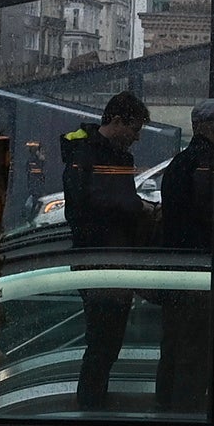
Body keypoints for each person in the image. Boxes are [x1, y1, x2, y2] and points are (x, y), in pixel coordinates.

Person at [64, 93, 153, 408]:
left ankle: (92, 399)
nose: (136, 137)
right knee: (104, 338)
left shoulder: (84, 153)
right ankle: (91, 400)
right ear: (116, 121)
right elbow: (96, 204)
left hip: (102, 255)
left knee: (105, 338)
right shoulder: (98, 156)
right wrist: (137, 207)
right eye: (134, 129)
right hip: (105, 256)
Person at [152, 103, 214, 413]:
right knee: (196, 345)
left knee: (173, 342)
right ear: (208, 126)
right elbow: (208, 214)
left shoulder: (179, 163)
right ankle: (188, 410)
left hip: (173, 264)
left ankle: (166, 403)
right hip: (199, 267)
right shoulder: (207, 163)